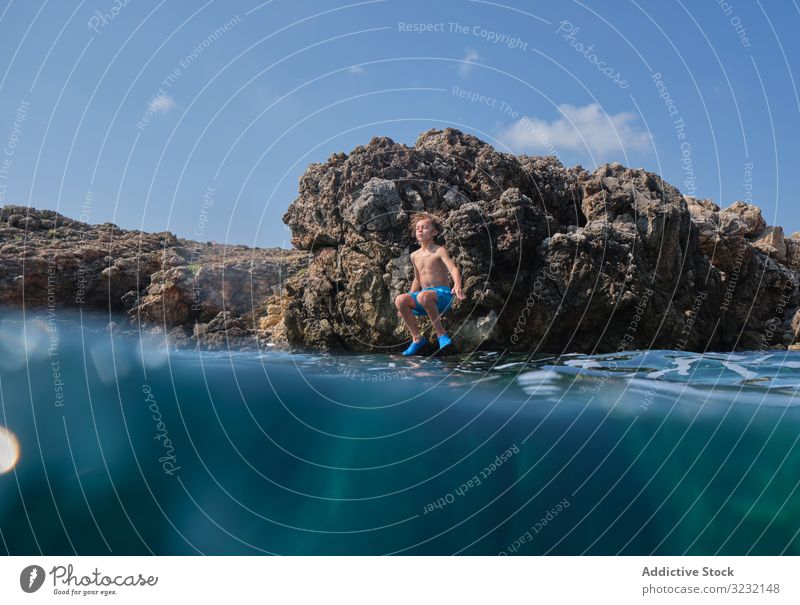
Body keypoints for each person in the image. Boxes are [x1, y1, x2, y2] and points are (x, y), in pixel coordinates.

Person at [394, 212, 465, 355]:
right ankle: (417, 339)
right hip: (424, 297)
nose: (420, 230)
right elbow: (417, 280)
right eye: (417, 228)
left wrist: (457, 285)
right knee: (400, 299)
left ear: (434, 232)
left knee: (423, 296)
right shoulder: (414, 255)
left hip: (442, 297)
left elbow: (453, 268)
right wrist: (404, 305)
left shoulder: (439, 251)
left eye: (424, 227)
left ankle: (441, 334)